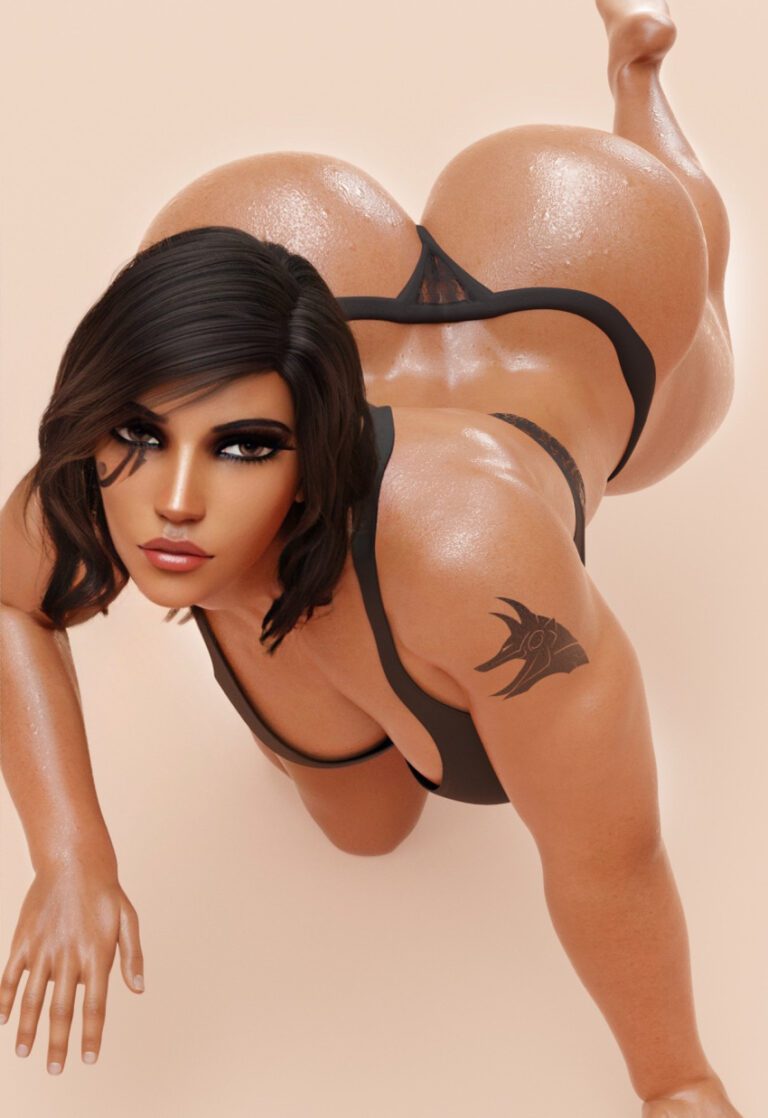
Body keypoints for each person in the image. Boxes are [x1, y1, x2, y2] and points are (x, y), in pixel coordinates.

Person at [0, 2, 743, 1115]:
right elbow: (11, 599)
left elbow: (611, 856)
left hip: (569, 272)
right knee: (366, 828)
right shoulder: (106, 475)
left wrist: (677, 1083)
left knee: (700, 326)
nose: (175, 502)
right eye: (143, 434)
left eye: (244, 447)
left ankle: (639, 75)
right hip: (300, 248)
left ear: (310, 451)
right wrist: (69, 852)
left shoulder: (476, 561)